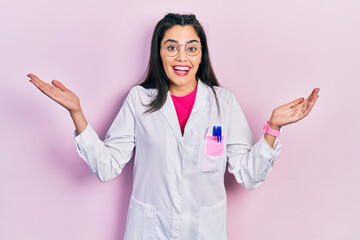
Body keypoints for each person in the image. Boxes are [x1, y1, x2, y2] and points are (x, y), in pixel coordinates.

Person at [28, 13, 319, 240]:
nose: (182, 57)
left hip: (204, 231)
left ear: (201, 54)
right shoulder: (139, 100)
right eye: (172, 47)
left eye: (191, 48)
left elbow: (249, 175)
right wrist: (76, 112)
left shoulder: (223, 102)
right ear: (159, 53)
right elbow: (107, 167)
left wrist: (273, 127)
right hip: (149, 230)